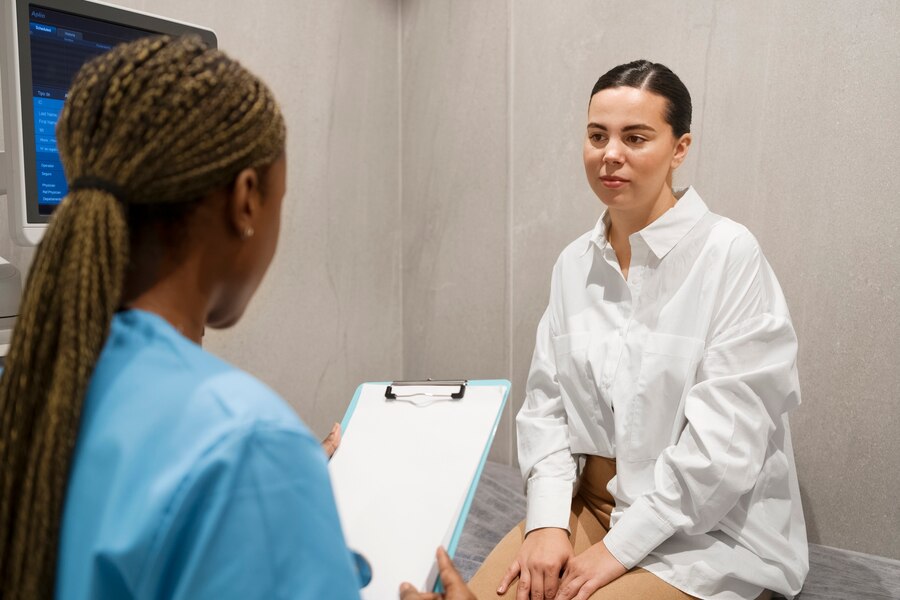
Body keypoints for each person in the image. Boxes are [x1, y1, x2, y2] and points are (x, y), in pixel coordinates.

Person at [0, 35, 470, 600]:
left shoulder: (30, 386)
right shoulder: (244, 442)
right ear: (246, 199)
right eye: (280, 201)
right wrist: (267, 479)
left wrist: (276, 498)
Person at [467, 60, 809, 600]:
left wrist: (617, 551)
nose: (610, 154)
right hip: (591, 506)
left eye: (635, 137)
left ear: (679, 148)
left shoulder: (728, 254)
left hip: (706, 531)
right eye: (597, 136)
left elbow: (726, 447)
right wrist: (547, 523)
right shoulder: (573, 264)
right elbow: (546, 408)